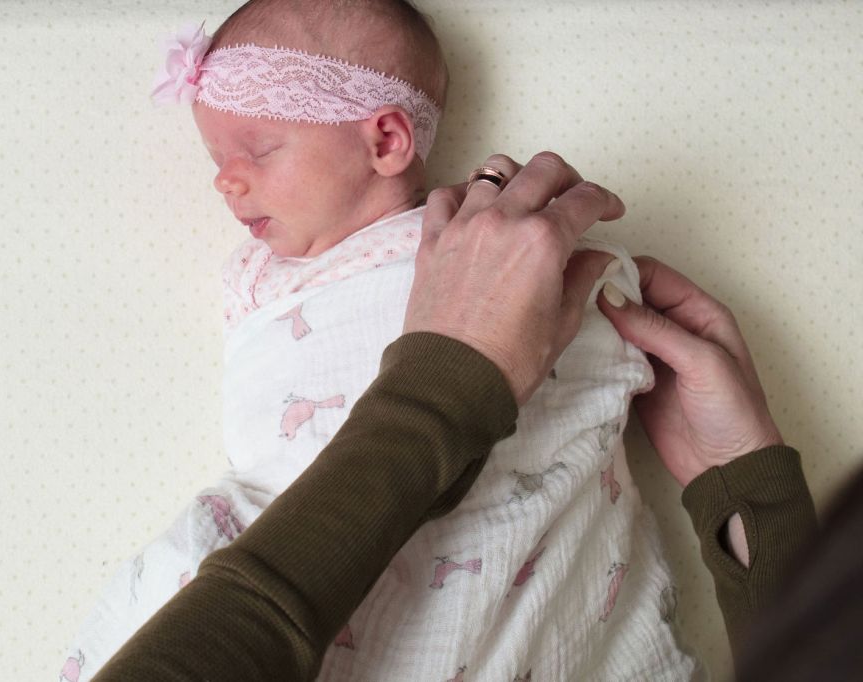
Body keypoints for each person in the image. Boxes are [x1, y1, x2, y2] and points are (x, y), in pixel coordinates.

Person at [62, 1, 806, 679]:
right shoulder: (277, 282)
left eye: (258, 150)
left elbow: (595, 335)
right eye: (216, 160)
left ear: (386, 138)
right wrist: (751, 490)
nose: (226, 182)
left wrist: (739, 477)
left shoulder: (497, 246)